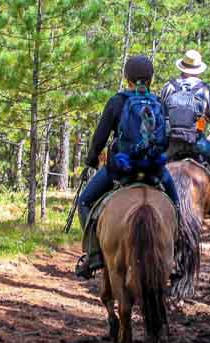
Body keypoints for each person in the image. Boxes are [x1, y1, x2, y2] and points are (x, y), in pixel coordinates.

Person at [75, 55, 180, 279]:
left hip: (121, 170)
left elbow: (100, 138)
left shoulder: (117, 101)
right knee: (176, 206)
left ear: (127, 78)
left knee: (83, 201)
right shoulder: (158, 103)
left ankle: (94, 255)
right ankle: (175, 257)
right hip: (153, 170)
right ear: (151, 79)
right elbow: (167, 138)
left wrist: (92, 160)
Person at [160, 50, 210, 222]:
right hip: (196, 141)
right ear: (198, 69)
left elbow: (160, 112)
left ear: (182, 66)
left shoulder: (168, 86)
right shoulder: (204, 88)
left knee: (151, 165)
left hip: (170, 142)